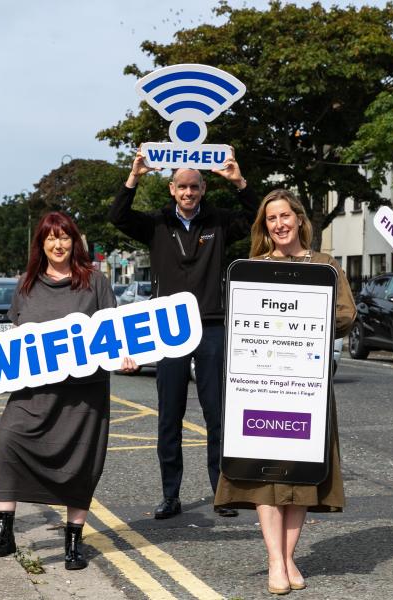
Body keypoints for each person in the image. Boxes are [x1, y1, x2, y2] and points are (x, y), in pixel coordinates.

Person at [213, 189, 356, 595]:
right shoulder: (251, 268)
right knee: (264, 478)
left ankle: (288, 556)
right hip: (262, 388)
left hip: (306, 387)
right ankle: (276, 560)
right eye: (271, 218)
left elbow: (346, 315)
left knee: (302, 478)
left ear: (299, 219)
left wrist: (310, 319)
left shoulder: (324, 266)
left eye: (285, 216)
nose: (279, 224)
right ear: (265, 226)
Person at [108, 150, 257, 520]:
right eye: (182, 187)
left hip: (211, 325)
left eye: (194, 186)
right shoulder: (157, 223)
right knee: (169, 414)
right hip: (169, 327)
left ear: (203, 189)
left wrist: (239, 182)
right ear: (172, 190)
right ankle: (170, 495)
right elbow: (118, 217)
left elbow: (258, 220)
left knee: (216, 415)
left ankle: (222, 492)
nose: (188, 192)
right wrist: (134, 177)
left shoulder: (219, 222)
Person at [0, 211, 137, 569]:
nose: (58, 244)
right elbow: (15, 341)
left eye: (65, 237)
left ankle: (73, 543)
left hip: (83, 394)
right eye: (51, 237)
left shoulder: (95, 282)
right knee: (6, 445)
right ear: (41, 243)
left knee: (80, 463)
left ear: (74, 241)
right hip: (33, 392)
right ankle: (4, 533)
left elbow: (112, 332)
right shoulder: (26, 284)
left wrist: (126, 357)